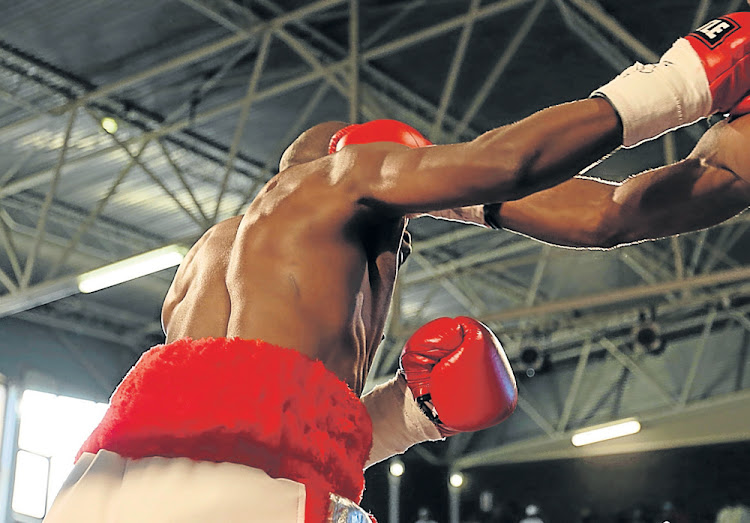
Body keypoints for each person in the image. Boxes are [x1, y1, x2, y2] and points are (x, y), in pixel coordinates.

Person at [44, 11, 750, 523]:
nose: (401, 252)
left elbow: (231, 427)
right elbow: (543, 181)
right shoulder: (344, 179)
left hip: (92, 488)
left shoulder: (211, 260)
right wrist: (688, 79)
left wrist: (406, 416)